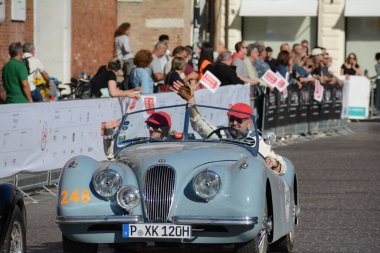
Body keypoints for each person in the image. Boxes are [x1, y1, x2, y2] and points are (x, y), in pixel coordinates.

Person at [172, 81, 286, 174]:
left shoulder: (257, 140)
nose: (234, 123)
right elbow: (198, 123)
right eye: (232, 119)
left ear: (249, 122)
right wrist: (191, 101)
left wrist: (274, 163)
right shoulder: (220, 134)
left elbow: (282, 167)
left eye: (239, 120)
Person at [114, 22, 134, 88]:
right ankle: (128, 89)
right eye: (128, 30)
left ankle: (125, 88)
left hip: (122, 59)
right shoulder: (125, 37)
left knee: (126, 76)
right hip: (129, 58)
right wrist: (131, 50)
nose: (129, 32)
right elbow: (127, 49)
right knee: (130, 75)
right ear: (124, 30)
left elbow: (117, 50)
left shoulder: (117, 38)